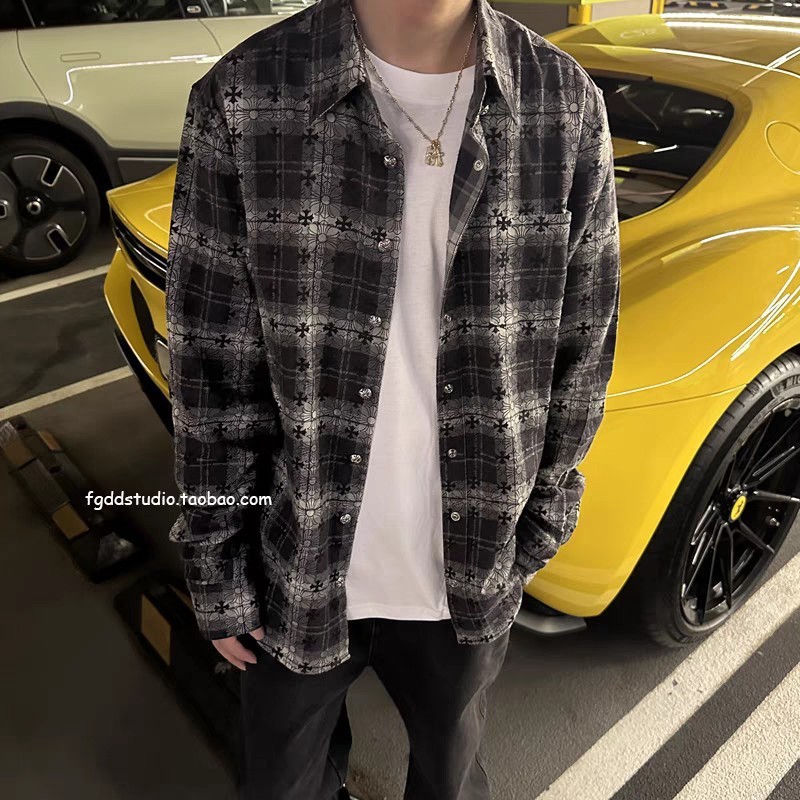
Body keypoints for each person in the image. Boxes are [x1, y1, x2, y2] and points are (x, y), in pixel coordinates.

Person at [164, 0, 620, 797]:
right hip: (293, 564)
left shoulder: (562, 102)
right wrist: (217, 565)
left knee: (451, 776)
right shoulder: (246, 96)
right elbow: (211, 368)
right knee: (282, 784)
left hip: (471, 566)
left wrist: (541, 520)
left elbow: (584, 345)